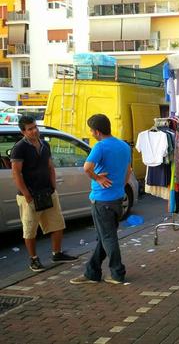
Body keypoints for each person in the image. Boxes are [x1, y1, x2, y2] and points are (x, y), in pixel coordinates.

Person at [70, 114, 131, 285]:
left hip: (102, 200)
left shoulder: (100, 147)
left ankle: (117, 272)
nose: (90, 133)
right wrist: (119, 185)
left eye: (91, 130)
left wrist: (98, 178)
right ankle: (92, 272)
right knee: (104, 237)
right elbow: (129, 170)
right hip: (117, 199)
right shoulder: (124, 146)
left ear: (97, 131)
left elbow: (87, 168)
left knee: (108, 238)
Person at [11, 116, 77, 272]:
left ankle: (57, 253)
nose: (34, 131)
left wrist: (53, 186)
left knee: (57, 224)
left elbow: (50, 167)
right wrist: (26, 194)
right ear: (23, 132)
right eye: (30, 129)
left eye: (35, 127)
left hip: (48, 192)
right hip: (30, 195)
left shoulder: (44, 144)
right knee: (30, 229)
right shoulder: (19, 148)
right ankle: (33, 259)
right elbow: (16, 173)